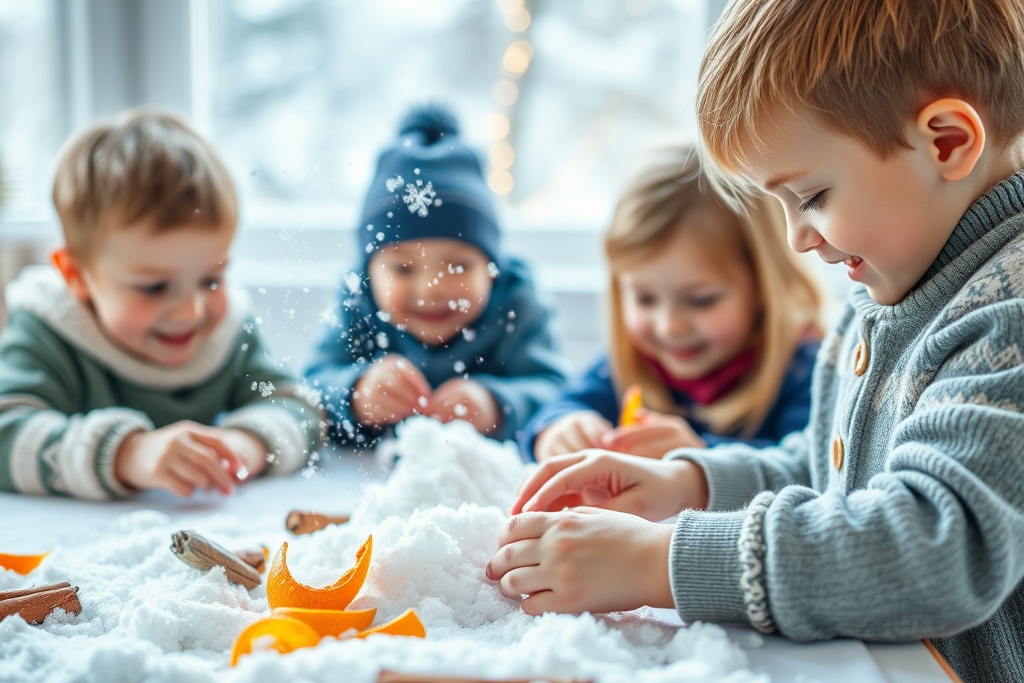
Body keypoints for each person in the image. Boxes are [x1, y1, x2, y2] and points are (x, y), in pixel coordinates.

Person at [487, 0, 1024, 683]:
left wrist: (662, 560)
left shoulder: (1009, 317)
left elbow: (935, 546)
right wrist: (694, 483)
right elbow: (837, 478)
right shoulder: (890, 294)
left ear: (947, 141)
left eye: (811, 198)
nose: (797, 237)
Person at [0, 110, 322, 499]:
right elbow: (8, 430)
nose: (191, 311)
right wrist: (126, 455)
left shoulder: (229, 332)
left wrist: (245, 445)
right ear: (77, 276)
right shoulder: (46, 332)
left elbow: (300, 407)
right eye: (153, 288)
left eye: (211, 279)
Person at [519, 145, 823, 462]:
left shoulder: (807, 372)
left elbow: (806, 470)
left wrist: (699, 459)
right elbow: (556, 411)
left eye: (701, 300)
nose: (669, 326)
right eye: (645, 298)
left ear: (764, 286)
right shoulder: (629, 366)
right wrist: (559, 430)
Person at [306, 105, 568, 447]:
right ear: (368, 270)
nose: (431, 290)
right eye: (403, 268)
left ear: (493, 268)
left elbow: (557, 392)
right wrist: (356, 394)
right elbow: (308, 387)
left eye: (458, 266)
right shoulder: (357, 299)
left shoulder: (516, 303)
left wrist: (495, 406)